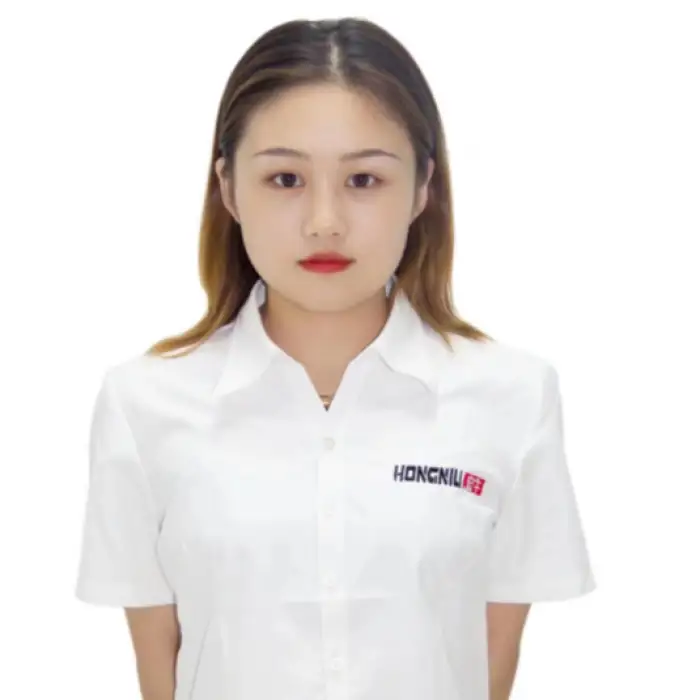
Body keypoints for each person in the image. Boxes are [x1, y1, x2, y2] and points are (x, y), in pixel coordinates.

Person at [74, 16, 596, 700]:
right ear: (228, 187)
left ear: (423, 187)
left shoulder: (513, 396)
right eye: (286, 178)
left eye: (364, 180)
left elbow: (490, 665)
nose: (325, 220)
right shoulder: (143, 404)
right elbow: (159, 672)